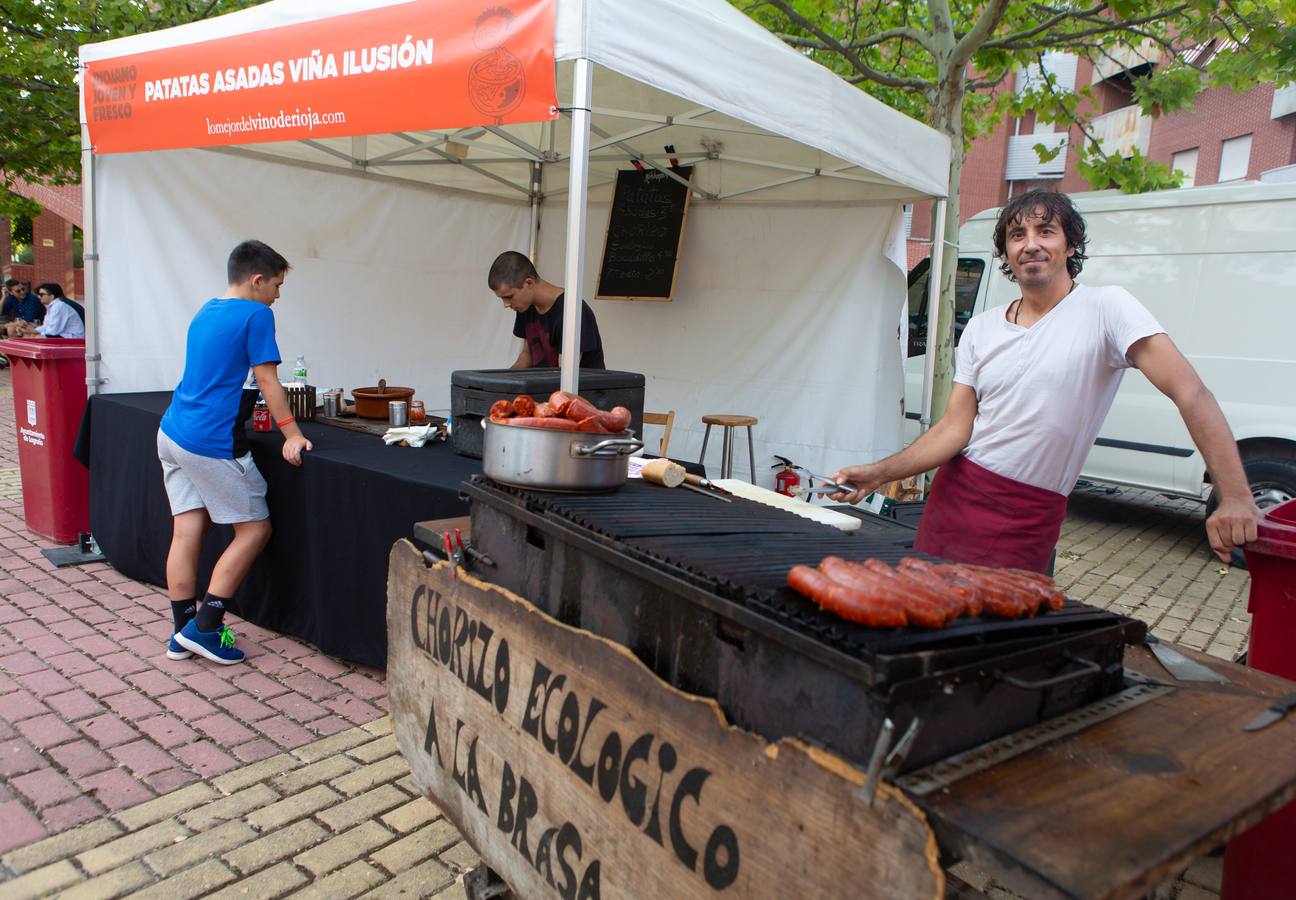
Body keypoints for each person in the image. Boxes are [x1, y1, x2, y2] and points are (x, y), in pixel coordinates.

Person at [832, 189, 1259, 572]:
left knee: (995, 637)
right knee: (926, 611)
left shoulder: (1107, 308)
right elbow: (953, 429)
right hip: (958, 496)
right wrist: (878, 473)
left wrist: (1236, 496)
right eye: (1017, 235)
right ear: (1006, 252)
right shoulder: (981, 328)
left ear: (1069, 243)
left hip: (1031, 513)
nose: (1030, 243)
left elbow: (1191, 392)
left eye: (1046, 231)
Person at [158, 240, 312, 664]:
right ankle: (205, 628)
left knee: (187, 531)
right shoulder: (257, 314)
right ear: (257, 280)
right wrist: (292, 434)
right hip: (210, 442)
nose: (278, 295)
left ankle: (181, 633)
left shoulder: (206, 309)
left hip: (171, 432)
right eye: (277, 286)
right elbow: (268, 382)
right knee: (255, 530)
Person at [487, 251, 605, 369]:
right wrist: (508, 380)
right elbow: (528, 354)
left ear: (529, 283)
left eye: (509, 297)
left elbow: (566, 373)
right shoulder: (526, 306)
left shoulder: (572, 311)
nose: (506, 304)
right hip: (547, 385)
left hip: (578, 387)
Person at [12, 283, 84, 339]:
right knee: (33, 336)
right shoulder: (52, 307)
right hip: (65, 335)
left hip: (73, 338)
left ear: (52, 296)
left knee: (38, 338)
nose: (39, 297)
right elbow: (46, 326)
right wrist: (31, 330)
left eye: (42, 294)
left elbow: (53, 331)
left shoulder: (59, 306)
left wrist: (37, 334)